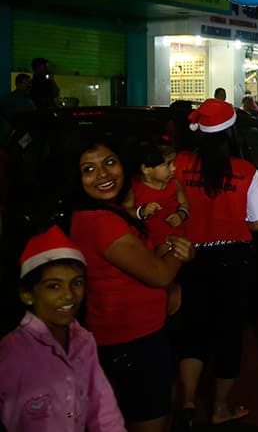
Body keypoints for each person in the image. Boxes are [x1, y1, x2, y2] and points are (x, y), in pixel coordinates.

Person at [68, 138, 195, 432]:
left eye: (109, 163)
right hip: (134, 339)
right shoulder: (102, 221)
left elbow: (142, 260)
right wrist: (182, 250)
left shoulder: (105, 212)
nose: (104, 175)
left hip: (127, 333)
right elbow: (159, 273)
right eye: (89, 169)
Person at [172, 99, 258, 426]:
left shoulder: (180, 163)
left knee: (192, 331)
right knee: (229, 335)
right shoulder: (245, 171)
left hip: (190, 257)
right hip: (232, 261)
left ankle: (187, 402)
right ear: (231, 133)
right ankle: (219, 409)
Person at [0, 225, 126, 431]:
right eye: (53, 286)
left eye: (76, 283)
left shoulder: (84, 341)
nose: (69, 295)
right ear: (27, 295)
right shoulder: (10, 352)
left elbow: (102, 407)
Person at [122, 139, 190, 248]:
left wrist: (180, 215)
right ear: (146, 169)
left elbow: (185, 205)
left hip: (175, 239)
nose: (174, 168)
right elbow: (125, 212)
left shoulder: (175, 184)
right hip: (147, 243)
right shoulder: (134, 187)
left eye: (174, 162)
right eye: (167, 164)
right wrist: (142, 211)